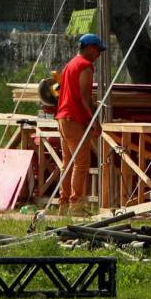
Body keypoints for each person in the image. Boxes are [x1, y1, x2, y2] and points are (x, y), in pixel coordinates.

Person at [55, 33, 106, 214]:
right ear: (90, 48)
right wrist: (95, 121)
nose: (99, 55)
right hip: (74, 119)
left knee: (67, 164)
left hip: (63, 118)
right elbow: (85, 97)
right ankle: (75, 205)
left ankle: (63, 205)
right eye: (98, 50)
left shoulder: (70, 64)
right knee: (81, 163)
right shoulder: (85, 66)